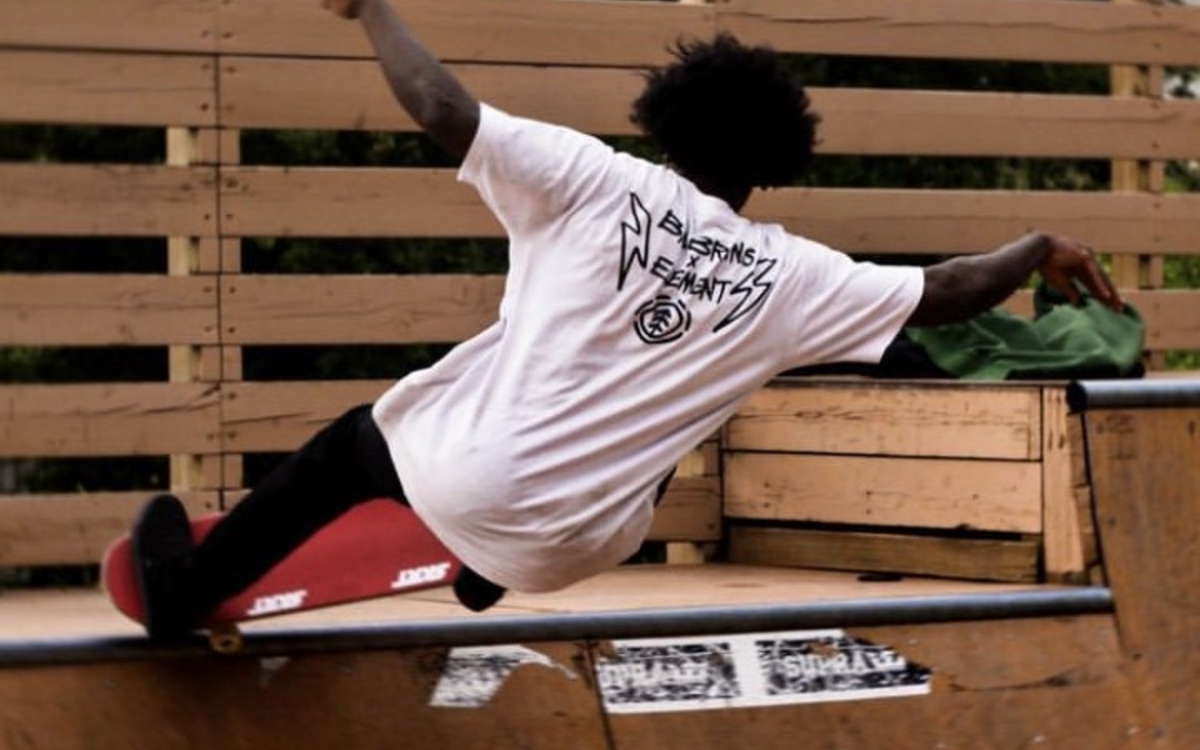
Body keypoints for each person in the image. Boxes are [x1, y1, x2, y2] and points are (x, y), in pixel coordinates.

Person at [130, 0, 1123, 639]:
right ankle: (484, 567)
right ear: (779, 156)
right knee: (692, 386)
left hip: (469, 483)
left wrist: (370, 9)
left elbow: (439, 105)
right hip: (588, 547)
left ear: (663, 114)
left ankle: (185, 594)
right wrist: (1037, 244)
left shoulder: (591, 179)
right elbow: (950, 290)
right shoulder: (793, 273)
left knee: (345, 453)